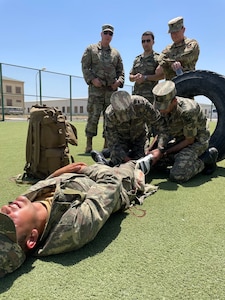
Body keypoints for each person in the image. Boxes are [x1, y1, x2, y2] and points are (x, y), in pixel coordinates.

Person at [0, 160, 157, 278]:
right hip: (119, 183)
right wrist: (85, 169)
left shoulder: (26, 205)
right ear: (32, 238)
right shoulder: (72, 227)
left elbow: (45, 184)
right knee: (131, 164)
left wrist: (58, 173)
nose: (6, 209)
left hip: (81, 175)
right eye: (8, 221)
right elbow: (111, 181)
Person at [139, 80, 218, 183]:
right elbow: (162, 132)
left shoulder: (188, 111)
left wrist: (162, 152)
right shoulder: (161, 110)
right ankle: (180, 160)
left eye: (164, 107)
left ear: (174, 101)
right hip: (180, 139)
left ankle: (207, 158)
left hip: (197, 141)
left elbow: (189, 141)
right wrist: (150, 150)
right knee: (154, 163)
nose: (161, 110)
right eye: (159, 107)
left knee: (178, 175)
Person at [81, 24, 125, 153]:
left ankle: (107, 145)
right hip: (96, 91)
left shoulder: (115, 53)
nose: (108, 35)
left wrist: (118, 82)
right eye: (106, 33)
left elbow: (121, 71)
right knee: (93, 117)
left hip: (111, 92)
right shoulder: (91, 49)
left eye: (110, 34)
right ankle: (89, 144)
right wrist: (92, 79)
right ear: (101, 34)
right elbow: (85, 67)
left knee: (110, 118)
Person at [91, 90, 161, 167]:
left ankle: (107, 153)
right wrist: (127, 160)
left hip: (140, 138)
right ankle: (103, 155)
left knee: (142, 161)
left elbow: (158, 123)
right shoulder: (110, 114)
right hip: (121, 140)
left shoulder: (141, 104)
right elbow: (113, 142)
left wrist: (154, 148)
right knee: (117, 163)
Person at [129, 31, 164, 103]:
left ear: (153, 42)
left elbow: (162, 76)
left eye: (148, 41)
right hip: (136, 98)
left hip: (151, 99)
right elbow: (130, 77)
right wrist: (135, 77)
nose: (145, 43)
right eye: (143, 41)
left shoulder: (158, 58)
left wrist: (145, 78)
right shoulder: (137, 59)